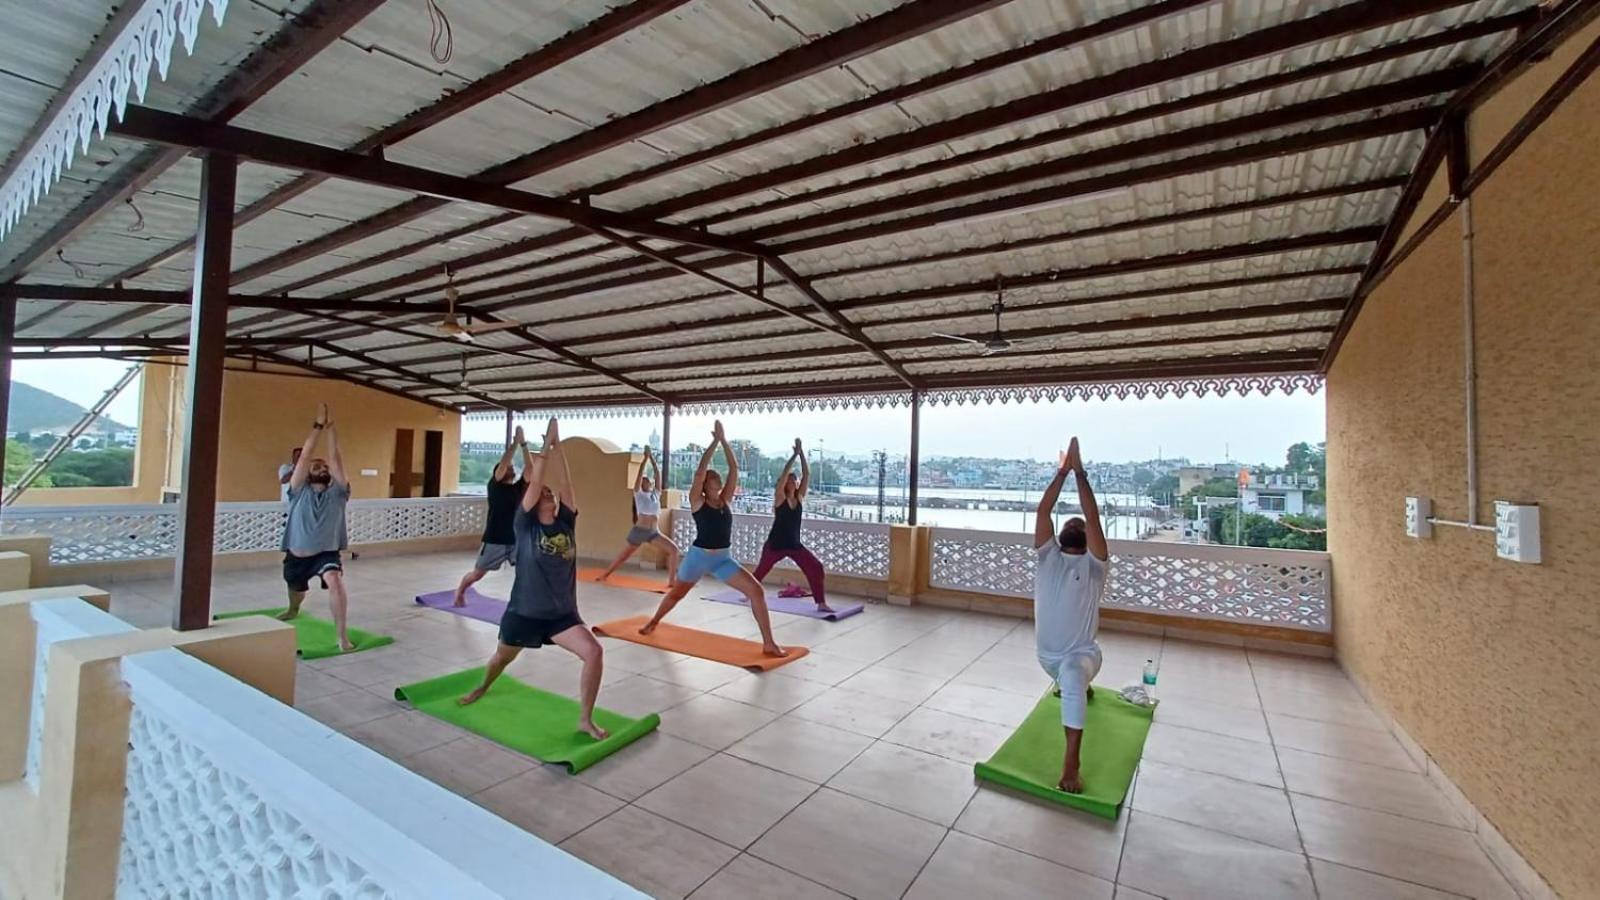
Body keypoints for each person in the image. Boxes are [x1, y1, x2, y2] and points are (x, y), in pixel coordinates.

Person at [460, 418, 609, 741]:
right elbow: (536, 478)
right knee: (502, 658)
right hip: (524, 613)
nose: (549, 494)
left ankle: (585, 719)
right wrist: (543, 448)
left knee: (594, 652)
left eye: (550, 493)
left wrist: (557, 446)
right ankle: (483, 686)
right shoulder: (525, 525)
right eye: (542, 493)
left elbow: (566, 483)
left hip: (562, 615)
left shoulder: (566, 522)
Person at [639, 420, 786, 657]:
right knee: (677, 594)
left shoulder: (725, 499)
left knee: (756, 591)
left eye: (717, 477)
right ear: (705, 485)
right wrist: (713, 442)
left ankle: (769, 643)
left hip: (723, 559)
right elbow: (700, 471)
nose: (717, 479)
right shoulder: (697, 501)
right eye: (712, 478)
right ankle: (654, 621)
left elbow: (734, 469)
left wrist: (724, 440)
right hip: (698, 557)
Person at [1032, 436, 1109, 794]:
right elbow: (1043, 512)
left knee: (1073, 675)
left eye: (1080, 525)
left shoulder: (1095, 566)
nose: (1076, 524)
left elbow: (1092, 515)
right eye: (1071, 523)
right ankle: (1072, 685)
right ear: (1062, 534)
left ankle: (1071, 765)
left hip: (1081, 656)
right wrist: (1062, 472)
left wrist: (1080, 473)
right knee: (1068, 676)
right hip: (1045, 657)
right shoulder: (1047, 556)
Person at [279, 403, 354, 652]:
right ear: (307, 474)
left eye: (324, 467)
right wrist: (318, 426)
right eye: (315, 466)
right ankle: (293, 609)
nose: (321, 467)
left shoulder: (338, 493)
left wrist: (331, 429)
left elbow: (336, 459)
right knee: (295, 590)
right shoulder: (298, 492)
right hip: (297, 556)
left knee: (335, 581)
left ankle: (341, 637)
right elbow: (304, 457)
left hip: (326, 553)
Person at [749, 439, 832, 614]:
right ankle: (748, 593)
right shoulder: (780, 498)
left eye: (795, 480)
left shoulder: (799, 498)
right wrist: (793, 456)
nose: (793, 482)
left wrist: (801, 454)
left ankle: (821, 603)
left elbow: (807, 474)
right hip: (775, 545)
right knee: (761, 572)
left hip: (794, 545)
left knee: (816, 567)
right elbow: (783, 475)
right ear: (785, 483)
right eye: (790, 480)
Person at [452, 426, 532, 606]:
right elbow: (504, 463)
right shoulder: (494, 486)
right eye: (507, 467)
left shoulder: (518, 488)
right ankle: (460, 591)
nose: (510, 468)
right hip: (495, 539)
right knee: (477, 574)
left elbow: (530, 469)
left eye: (512, 467)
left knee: (526, 571)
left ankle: (522, 602)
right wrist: (514, 444)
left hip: (515, 539)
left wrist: (524, 445)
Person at [596, 446, 681, 584]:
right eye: (643, 480)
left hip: (654, 532)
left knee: (674, 550)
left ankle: (672, 581)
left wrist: (652, 458)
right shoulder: (638, 494)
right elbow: (639, 475)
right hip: (640, 531)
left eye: (647, 480)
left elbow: (657, 474)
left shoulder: (656, 494)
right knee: (624, 556)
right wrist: (644, 459)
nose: (645, 481)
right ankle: (605, 574)